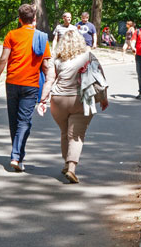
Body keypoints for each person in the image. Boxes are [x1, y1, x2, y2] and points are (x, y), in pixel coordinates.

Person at [37, 30, 108, 183]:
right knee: (76, 136)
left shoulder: (57, 59)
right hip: (80, 100)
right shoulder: (88, 56)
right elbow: (101, 78)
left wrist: (43, 101)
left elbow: (49, 81)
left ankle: (65, 163)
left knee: (64, 133)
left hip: (58, 101)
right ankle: (71, 169)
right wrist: (104, 99)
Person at [0, 4, 53, 172]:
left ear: (19, 19)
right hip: (31, 85)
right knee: (24, 121)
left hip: (12, 83)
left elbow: (4, 59)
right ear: (34, 19)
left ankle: (17, 156)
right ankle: (17, 156)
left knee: (13, 121)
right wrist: (50, 84)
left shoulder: (12, 35)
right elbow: (46, 66)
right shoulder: (41, 38)